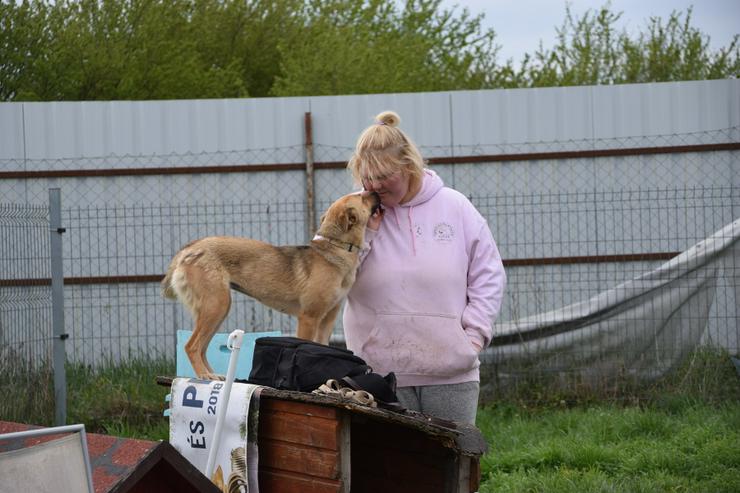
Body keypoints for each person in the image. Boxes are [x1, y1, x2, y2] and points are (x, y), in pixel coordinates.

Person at [342, 110, 506, 425]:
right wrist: (368, 233)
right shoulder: (352, 211)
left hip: (450, 372)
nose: (374, 185)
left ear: (409, 165)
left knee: (452, 465)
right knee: (389, 470)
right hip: (378, 373)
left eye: (383, 176)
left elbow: (489, 274)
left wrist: (472, 337)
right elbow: (332, 277)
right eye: (367, 176)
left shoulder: (455, 207)